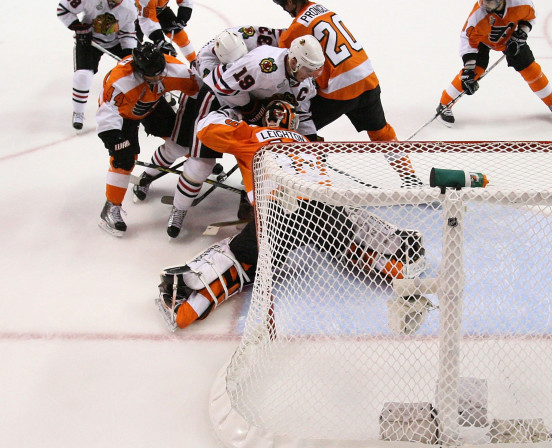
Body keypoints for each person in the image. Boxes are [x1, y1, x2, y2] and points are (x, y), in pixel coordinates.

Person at [155, 102, 428, 331]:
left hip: (278, 213)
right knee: (350, 241)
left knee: (242, 260)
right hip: (325, 207)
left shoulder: (251, 133)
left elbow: (205, 130)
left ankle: (185, 308)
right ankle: (403, 269)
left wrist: (229, 114)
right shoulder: (307, 143)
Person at [152, 35, 324, 238]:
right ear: (294, 62)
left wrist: (310, 140)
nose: (312, 75)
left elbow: (302, 115)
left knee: (264, 156)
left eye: (316, 70)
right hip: (220, 101)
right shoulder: (262, 65)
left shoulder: (304, 83)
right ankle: (179, 209)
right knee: (201, 165)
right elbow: (223, 86)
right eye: (309, 69)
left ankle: (249, 197)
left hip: (259, 110)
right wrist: (249, 108)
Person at [271, 0, 421, 187]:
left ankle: (309, 173)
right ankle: (411, 178)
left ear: (291, 2)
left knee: (293, 126)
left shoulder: (293, 33)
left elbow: (288, 72)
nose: (285, 10)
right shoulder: (321, 9)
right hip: (366, 77)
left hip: (339, 88)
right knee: (381, 132)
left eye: (283, 5)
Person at [96, 41, 200, 237]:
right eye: (153, 75)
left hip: (152, 106)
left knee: (180, 140)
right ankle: (110, 208)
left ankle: (163, 172)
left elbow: (199, 91)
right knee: (124, 159)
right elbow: (106, 111)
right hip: (123, 116)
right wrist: (113, 138)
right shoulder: (120, 81)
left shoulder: (173, 68)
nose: (159, 78)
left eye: (161, 72)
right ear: (139, 70)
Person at [435, 0, 552, 126]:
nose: (486, 4)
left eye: (490, 1)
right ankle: (444, 104)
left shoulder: (520, 4)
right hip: (482, 41)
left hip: (509, 39)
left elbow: (530, 17)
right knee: (473, 73)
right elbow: (467, 39)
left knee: (530, 69)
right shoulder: (478, 14)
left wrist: (521, 34)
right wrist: (468, 69)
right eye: (484, 1)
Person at [57, 0, 138, 130]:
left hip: (115, 42)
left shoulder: (130, 8)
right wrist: (78, 26)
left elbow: (127, 33)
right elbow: (62, 9)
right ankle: (78, 112)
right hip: (88, 40)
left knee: (135, 71)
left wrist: (129, 55)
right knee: (83, 76)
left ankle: (139, 106)